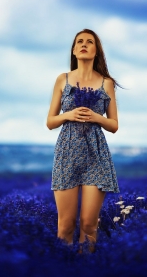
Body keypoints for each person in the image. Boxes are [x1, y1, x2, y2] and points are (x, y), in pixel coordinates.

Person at [46, 29, 120, 252]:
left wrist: (98, 117)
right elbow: (50, 121)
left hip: (96, 155)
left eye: (90, 42)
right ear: (74, 50)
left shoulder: (106, 82)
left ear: (97, 51)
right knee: (65, 225)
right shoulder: (63, 79)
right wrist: (68, 115)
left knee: (89, 225)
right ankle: (65, 268)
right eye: (79, 42)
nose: (84, 44)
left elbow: (114, 125)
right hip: (67, 153)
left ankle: (86, 269)